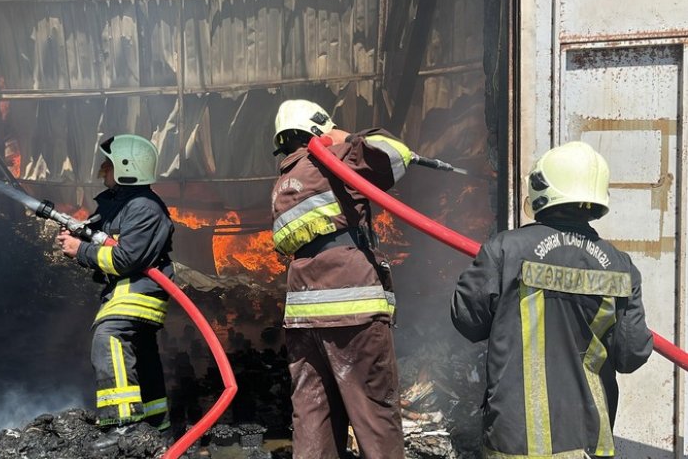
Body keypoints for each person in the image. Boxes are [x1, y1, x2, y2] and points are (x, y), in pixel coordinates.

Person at [451, 141, 653, 458]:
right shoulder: (620, 265)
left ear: (541, 190)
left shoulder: (505, 249)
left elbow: (468, 320)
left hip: (515, 440)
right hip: (588, 441)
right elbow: (632, 355)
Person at [270, 99, 415, 458]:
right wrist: (346, 137)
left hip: (304, 318)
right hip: (355, 315)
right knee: (374, 415)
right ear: (318, 129)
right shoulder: (334, 159)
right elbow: (398, 154)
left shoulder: (282, 185)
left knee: (313, 417)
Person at [57, 134, 174, 449]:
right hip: (124, 289)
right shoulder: (122, 204)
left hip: (137, 291)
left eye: (108, 164)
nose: (102, 169)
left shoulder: (145, 208)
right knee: (141, 354)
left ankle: (124, 425)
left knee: (108, 338)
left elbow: (126, 258)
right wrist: (81, 237)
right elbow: (106, 242)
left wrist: (79, 250)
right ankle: (157, 430)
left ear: (126, 166)